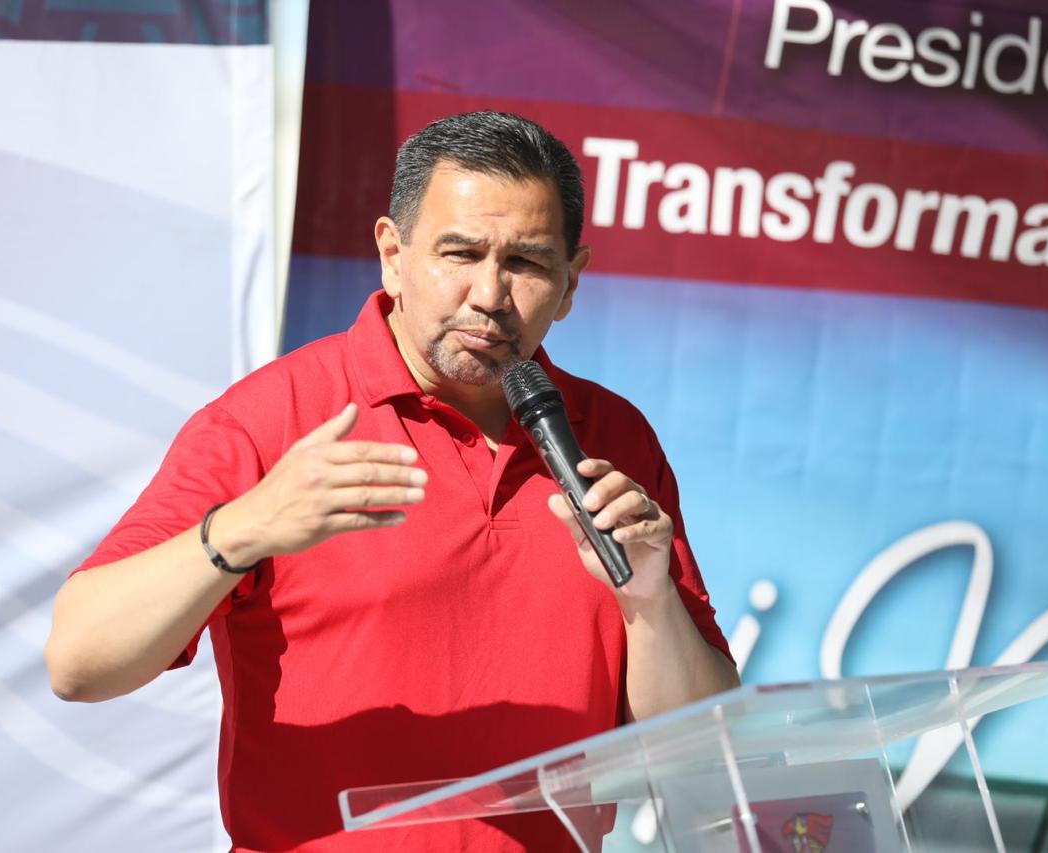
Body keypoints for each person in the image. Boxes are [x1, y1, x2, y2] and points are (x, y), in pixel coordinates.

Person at [45, 111, 739, 851]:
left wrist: (650, 601)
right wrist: (245, 529)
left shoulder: (612, 437)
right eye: (460, 253)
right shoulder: (273, 420)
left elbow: (701, 748)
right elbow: (79, 663)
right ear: (392, 254)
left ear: (571, 281)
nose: (489, 293)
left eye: (527, 263)